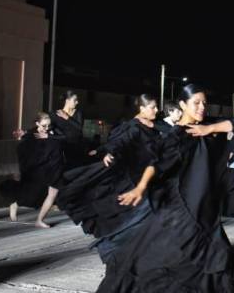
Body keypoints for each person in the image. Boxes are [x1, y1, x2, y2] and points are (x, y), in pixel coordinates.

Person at [97, 84, 234, 292]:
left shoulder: (208, 126)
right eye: (196, 103)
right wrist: (140, 187)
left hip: (207, 204)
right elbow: (155, 164)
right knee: (187, 257)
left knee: (208, 257)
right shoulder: (177, 135)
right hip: (186, 204)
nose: (202, 107)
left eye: (204, 103)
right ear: (183, 105)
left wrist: (209, 129)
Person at [56, 94, 162, 263]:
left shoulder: (153, 125)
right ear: (141, 109)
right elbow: (119, 142)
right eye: (153, 107)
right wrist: (109, 152)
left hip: (150, 178)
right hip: (134, 178)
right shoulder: (132, 127)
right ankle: (116, 249)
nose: (156, 110)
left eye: (156, 107)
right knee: (129, 216)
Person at [0, 112, 65, 228]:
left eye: (48, 125)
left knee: (52, 194)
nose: (47, 128)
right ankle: (16, 203)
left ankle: (39, 220)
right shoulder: (33, 135)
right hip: (44, 170)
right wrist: (25, 133)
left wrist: (50, 135)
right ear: (37, 124)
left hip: (56, 167)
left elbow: (67, 138)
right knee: (33, 195)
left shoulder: (53, 132)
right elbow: (29, 146)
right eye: (44, 125)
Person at [52, 90, 91, 169]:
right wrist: (27, 132)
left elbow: (80, 128)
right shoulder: (55, 114)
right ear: (67, 100)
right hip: (62, 149)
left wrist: (67, 117)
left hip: (77, 149)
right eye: (75, 100)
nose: (77, 102)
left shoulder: (78, 113)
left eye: (77, 100)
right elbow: (47, 127)